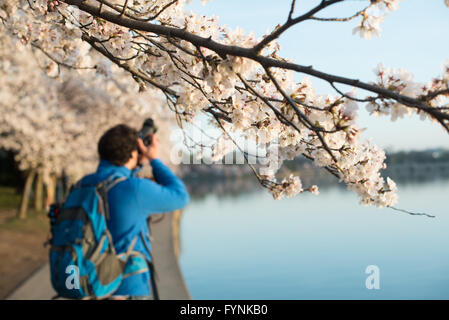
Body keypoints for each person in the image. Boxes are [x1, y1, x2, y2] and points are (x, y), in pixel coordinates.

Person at [80, 124, 190, 299]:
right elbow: (180, 196)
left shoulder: (85, 184)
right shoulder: (134, 189)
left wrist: (137, 164)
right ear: (134, 153)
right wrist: (154, 159)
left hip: (86, 282)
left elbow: (118, 181)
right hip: (126, 286)